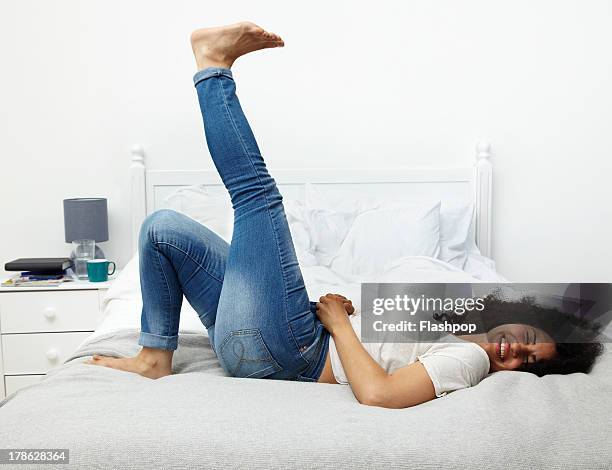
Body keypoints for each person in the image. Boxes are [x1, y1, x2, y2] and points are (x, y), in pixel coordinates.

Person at [87, 22, 603, 408]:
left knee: (257, 197)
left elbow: (378, 394)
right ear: (525, 318)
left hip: (288, 355)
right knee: (161, 230)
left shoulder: (468, 360)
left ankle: (213, 69)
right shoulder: (459, 322)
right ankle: (155, 356)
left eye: (529, 366)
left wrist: (337, 325)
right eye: (530, 341)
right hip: (259, 339)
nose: (515, 353)